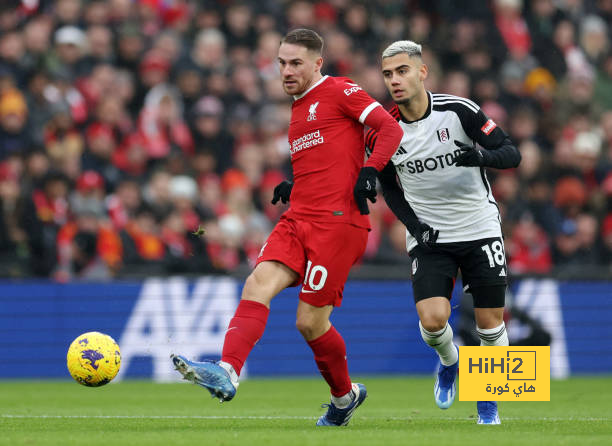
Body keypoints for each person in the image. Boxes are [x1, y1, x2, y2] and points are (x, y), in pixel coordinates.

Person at [171, 29, 403, 427]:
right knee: (257, 284)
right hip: (298, 217)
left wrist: (369, 170)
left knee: (309, 322)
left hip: (337, 223)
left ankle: (344, 397)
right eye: (281, 63)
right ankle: (228, 371)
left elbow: (390, 129)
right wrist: (299, 183)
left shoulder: (341, 90)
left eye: (296, 63)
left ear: (317, 63)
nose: (286, 70)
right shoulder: (298, 109)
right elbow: (330, 155)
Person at [365, 40, 521, 425]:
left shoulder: (458, 111)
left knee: (490, 322)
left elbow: (511, 153)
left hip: (479, 226)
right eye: (388, 74)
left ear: (422, 72)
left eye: (402, 71)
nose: (395, 81)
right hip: (429, 235)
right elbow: (390, 187)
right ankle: (449, 363)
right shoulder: (384, 129)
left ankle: (488, 402)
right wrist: (415, 227)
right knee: (434, 320)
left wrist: (482, 156)